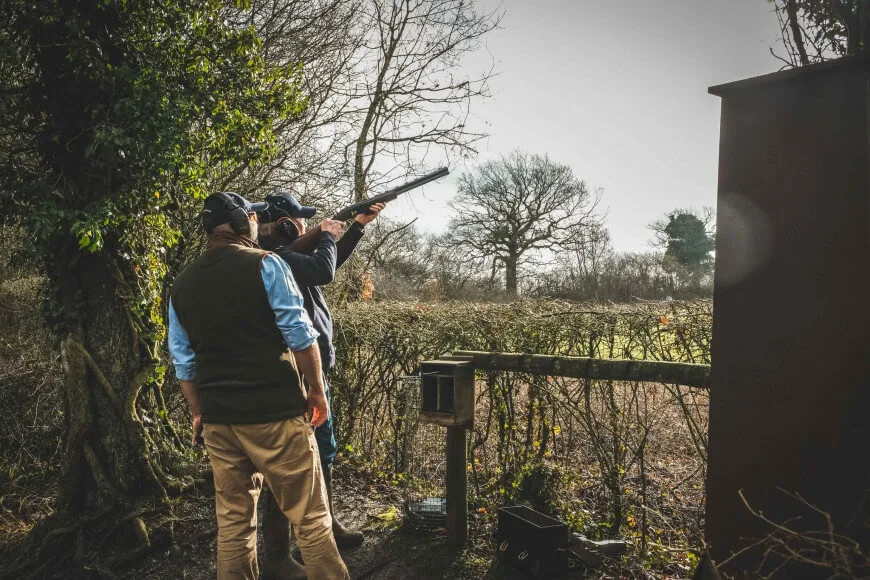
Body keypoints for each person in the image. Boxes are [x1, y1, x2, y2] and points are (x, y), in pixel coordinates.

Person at [167, 191, 349, 580]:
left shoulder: (182, 284)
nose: (256, 221)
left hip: (218, 420)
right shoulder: (267, 264)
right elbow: (301, 336)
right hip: (274, 414)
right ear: (237, 221)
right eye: (251, 215)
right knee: (312, 519)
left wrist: (199, 411)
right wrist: (317, 392)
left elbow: (184, 363)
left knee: (233, 526)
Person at [256, 193, 385, 579]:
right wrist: (327, 234)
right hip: (294, 378)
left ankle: (324, 530)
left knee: (324, 454)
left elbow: (328, 263)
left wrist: (356, 227)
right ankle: (276, 555)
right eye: (297, 219)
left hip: (314, 376)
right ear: (281, 223)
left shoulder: (290, 255)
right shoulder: (271, 259)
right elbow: (323, 271)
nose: (301, 224)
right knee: (288, 468)